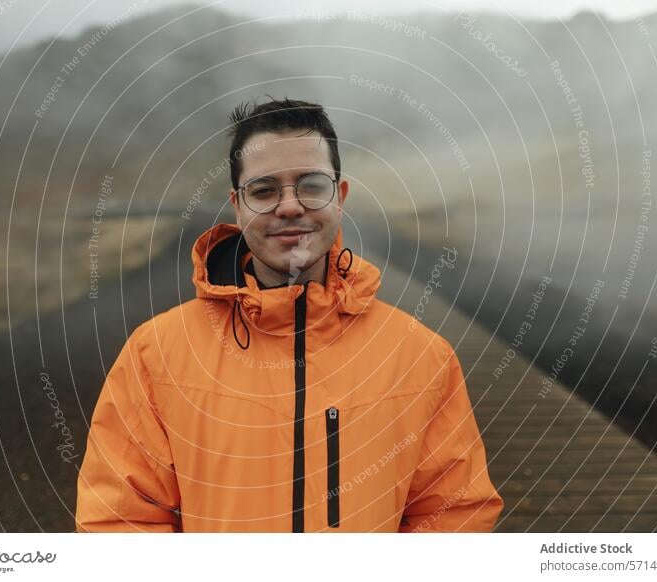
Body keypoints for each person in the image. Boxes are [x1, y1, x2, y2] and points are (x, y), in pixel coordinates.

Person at [75, 97, 503, 532]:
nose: (290, 206)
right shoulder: (158, 353)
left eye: (311, 185)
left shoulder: (420, 355)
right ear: (238, 206)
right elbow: (119, 521)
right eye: (263, 190)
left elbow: (454, 515)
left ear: (340, 197)